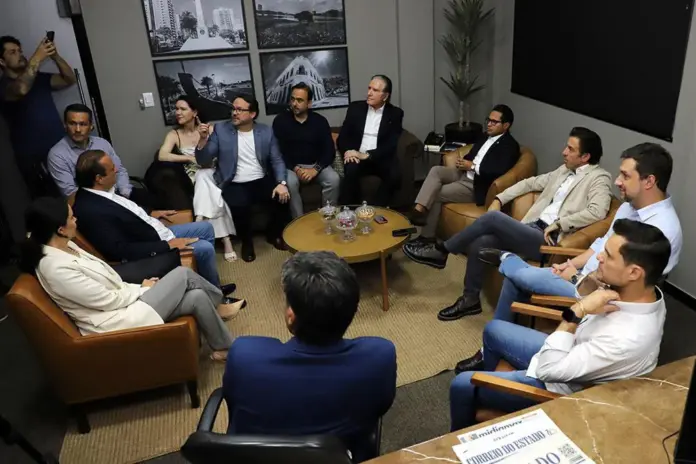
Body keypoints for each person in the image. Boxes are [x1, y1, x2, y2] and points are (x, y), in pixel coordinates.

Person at [454, 142, 683, 372]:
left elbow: (628, 293)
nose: (617, 181)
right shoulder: (628, 208)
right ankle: (492, 345)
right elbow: (599, 247)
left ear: (649, 181)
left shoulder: (664, 229)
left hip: (595, 294)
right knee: (513, 273)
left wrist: (578, 279)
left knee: (520, 274)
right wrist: (570, 264)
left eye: (625, 175)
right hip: (583, 276)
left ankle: (507, 260)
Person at [449, 219, 671, 430]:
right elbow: (583, 293)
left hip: (560, 386)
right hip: (569, 350)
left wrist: (578, 311)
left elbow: (548, 370)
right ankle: (492, 396)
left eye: (608, 256)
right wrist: (592, 281)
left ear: (634, 272)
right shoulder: (640, 294)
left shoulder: (628, 337)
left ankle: (458, 437)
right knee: (494, 330)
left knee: (461, 384)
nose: (599, 257)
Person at [403, 127, 613, 321]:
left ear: (585, 157)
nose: (564, 152)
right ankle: (470, 300)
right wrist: (499, 198)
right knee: (482, 241)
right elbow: (530, 183)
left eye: (570, 149)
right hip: (531, 228)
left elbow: (597, 210)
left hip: (548, 240)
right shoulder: (564, 170)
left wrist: (560, 224)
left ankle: (442, 250)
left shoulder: (599, 178)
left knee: (493, 218)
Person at [222, 251, 397, 462]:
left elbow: (233, 403)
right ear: (352, 310)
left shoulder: (244, 355)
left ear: (291, 316)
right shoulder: (380, 356)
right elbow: (380, 406)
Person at [19, 197, 242, 361]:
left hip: (124, 304)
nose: (75, 219)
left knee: (196, 296)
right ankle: (219, 303)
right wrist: (142, 289)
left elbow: (109, 280)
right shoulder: (55, 267)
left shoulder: (67, 245)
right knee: (183, 274)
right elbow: (105, 301)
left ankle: (224, 348)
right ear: (60, 229)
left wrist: (139, 286)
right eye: (71, 217)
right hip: (114, 320)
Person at [72, 150, 236, 297]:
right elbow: (118, 250)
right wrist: (168, 245)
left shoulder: (100, 192)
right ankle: (215, 297)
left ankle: (209, 285)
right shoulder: (91, 210)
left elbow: (123, 210)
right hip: (152, 246)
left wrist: (150, 213)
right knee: (205, 248)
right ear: (99, 178)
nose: (116, 170)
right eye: (111, 168)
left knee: (206, 228)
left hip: (154, 230)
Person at [196, 95, 291, 263]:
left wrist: (281, 183)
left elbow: (277, 159)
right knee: (240, 204)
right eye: (233, 109)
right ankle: (247, 242)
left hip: (260, 179)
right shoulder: (221, 130)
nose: (234, 113)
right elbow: (203, 160)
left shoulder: (265, 131)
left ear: (252, 114)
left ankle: (273, 234)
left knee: (281, 197)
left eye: (240, 110)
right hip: (234, 181)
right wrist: (203, 139)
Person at [410, 105, 520, 239]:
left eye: (494, 122)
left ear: (506, 125)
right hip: (462, 173)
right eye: (488, 120)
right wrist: (463, 161)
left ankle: (426, 237)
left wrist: (472, 166)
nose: (489, 124)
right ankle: (419, 210)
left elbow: (498, 170)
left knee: (438, 192)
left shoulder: (509, 146)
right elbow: (473, 154)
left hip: (476, 185)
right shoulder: (485, 136)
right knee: (436, 170)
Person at [155, 96, 237, 261]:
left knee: (205, 175)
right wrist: (190, 158)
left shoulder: (210, 129)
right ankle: (226, 239)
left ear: (194, 112)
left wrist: (204, 141)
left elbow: (223, 153)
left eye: (183, 109)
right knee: (202, 178)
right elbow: (162, 155)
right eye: (176, 109)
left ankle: (200, 219)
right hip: (191, 178)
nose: (178, 112)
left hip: (214, 174)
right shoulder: (174, 134)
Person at [0, 35, 76, 198]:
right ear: (2, 61)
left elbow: (69, 79)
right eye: (12, 52)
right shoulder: (4, 87)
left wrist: (55, 56)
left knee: (77, 195)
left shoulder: (38, 78)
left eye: (20, 50)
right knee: (56, 204)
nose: (20, 54)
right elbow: (21, 89)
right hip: (36, 161)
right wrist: (38, 57)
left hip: (62, 151)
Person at [47, 103, 144, 205]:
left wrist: (125, 194)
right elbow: (71, 193)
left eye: (83, 124)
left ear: (91, 126)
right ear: (65, 125)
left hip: (120, 194)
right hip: (94, 203)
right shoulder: (57, 155)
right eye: (72, 124)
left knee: (152, 202)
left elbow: (119, 170)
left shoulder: (102, 143)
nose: (78, 129)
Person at [272, 82, 340, 218]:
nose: (294, 104)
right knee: (290, 183)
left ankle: (329, 217)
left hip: (316, 165)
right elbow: (279, 152)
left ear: (309, 103)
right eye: (292, 99)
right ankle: (299, 221)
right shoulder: (280, 121)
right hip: (292, 167)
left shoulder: (320, 121)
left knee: (334, 179)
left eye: (299, 100)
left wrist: (315, 169)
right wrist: (296, 168)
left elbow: (329, 151)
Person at [337, 75, 404, 207]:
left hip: (379, 157)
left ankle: (378, 209)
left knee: (394, 174)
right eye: (369, 88)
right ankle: (349, 210)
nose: (369, 93)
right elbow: (343, 137)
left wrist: (368, 155)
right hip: (357, 157)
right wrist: (349, 151)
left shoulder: (395, 114)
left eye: (375, 90)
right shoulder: (355, 108)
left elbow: (391, 144)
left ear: (385, 96)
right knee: (351, 170)